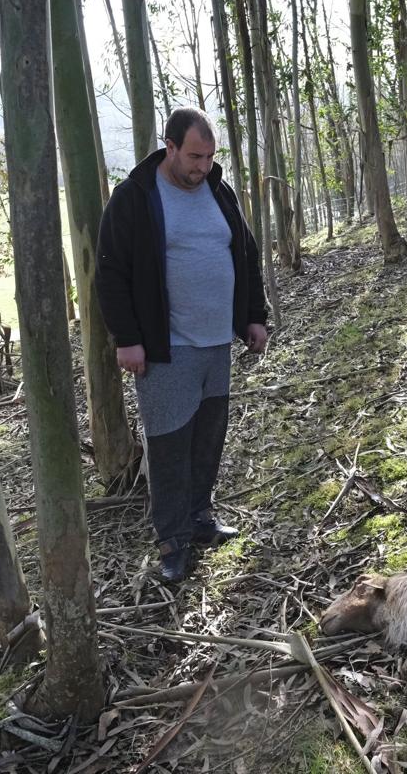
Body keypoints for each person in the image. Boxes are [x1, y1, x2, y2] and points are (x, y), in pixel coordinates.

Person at [96, 107, 268, 582]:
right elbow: (110, 272)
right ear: (169, 147)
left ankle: (200, 518)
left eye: (210, 157)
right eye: (194, 156)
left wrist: (254, 316)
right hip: (166, 347)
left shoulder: (218, 190)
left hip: (217, 342)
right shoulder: (136, 197)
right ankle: (172, 541)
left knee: (208, 438)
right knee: (169, 445)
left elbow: (245, 254)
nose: (203, 166)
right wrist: (127, 339)